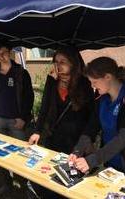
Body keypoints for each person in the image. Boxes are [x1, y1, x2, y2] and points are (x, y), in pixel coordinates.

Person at [28, 46, 95, 199]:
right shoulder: (52, 80)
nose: (58, 66)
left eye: (63, 62)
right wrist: (37, 131)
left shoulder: (84, 83)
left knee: (70, 182)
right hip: (53, 138)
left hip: (75, 142)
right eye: (56, 62)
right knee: (51, 178)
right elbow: (44, 108)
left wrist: (88, 139)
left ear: (73, 63)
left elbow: (92, 116)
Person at [0, 41, 34, 197]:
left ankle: (25, 185)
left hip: (16, 122)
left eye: (3, 52)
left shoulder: (20, 73)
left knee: (21, 154)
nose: (1, 56)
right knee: (0, 154)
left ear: (10, 52)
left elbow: (28, 97)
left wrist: (23, 118)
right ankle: (6, 184)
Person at [69, 57, 125, 174]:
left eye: (94, 82)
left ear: (108, 77)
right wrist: (77, 151)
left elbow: (123, 138)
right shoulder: (102, 99)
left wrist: (92, 160)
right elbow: (91, 127)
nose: (92, 86)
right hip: (109, 163)